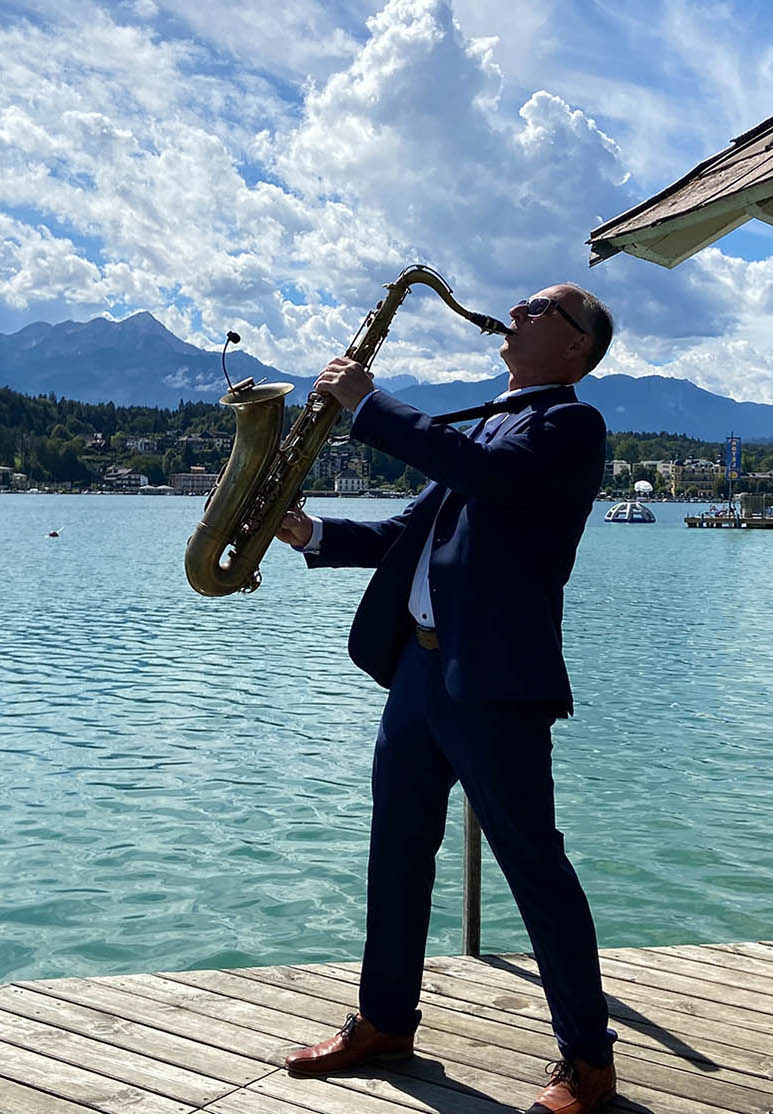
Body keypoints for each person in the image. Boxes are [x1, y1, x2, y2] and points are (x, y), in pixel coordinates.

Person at [272, 282, 619, 1114]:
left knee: (535, 868)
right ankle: (385, 1020)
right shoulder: (492, 423)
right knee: (394, 852)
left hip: (496, 685)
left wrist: (368, 403)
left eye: (542, 308)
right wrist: (310, 533)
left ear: (576, 348)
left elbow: (485, 477)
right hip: (420, 675)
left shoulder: (571, 425)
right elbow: (404, 535)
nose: (519, 311)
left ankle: (590, 1065)